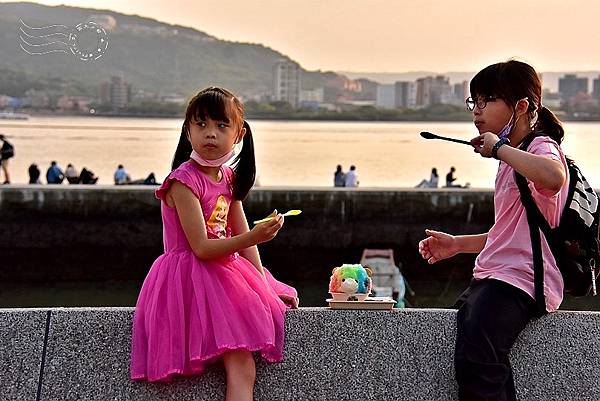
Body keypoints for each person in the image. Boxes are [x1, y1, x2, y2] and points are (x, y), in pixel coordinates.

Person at [130, 87, 299, 398]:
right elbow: (202, 248)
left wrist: (264, 284)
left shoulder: (228, 177)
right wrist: (254, 236)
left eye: (222, 126)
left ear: (239, 134)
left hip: (225, 274)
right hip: (187, 279)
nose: (210, 134)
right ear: (187, 130)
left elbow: (244, 238)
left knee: (243, 365)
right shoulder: (183, 181)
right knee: (240, 362)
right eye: (201, 124)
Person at [418, 60, 569, 401]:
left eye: (488, 100)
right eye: (474, 101)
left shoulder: (539, 147)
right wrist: (457, 245)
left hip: (521, 281)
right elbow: (509, 233)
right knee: (481, 364)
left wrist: (500, 149)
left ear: (521, 106)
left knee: (479, 363)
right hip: (497, 276)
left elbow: (554, 177)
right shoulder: (511, 161)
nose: (477, 111)